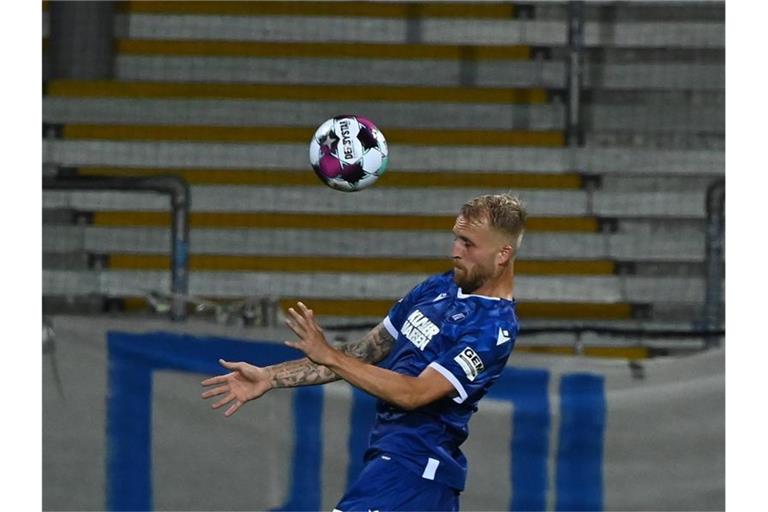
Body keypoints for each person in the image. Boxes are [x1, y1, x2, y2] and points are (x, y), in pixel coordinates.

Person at [201, 193, 526, 511]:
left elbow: (414, 393)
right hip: (398, 468)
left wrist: (329, 355)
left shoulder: (492, 329)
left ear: (502, 254)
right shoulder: (438, 287)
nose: (455, 252)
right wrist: (270, 377)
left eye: (468, 244)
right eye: (456, 238)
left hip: (415, 473)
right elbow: (363, 351)